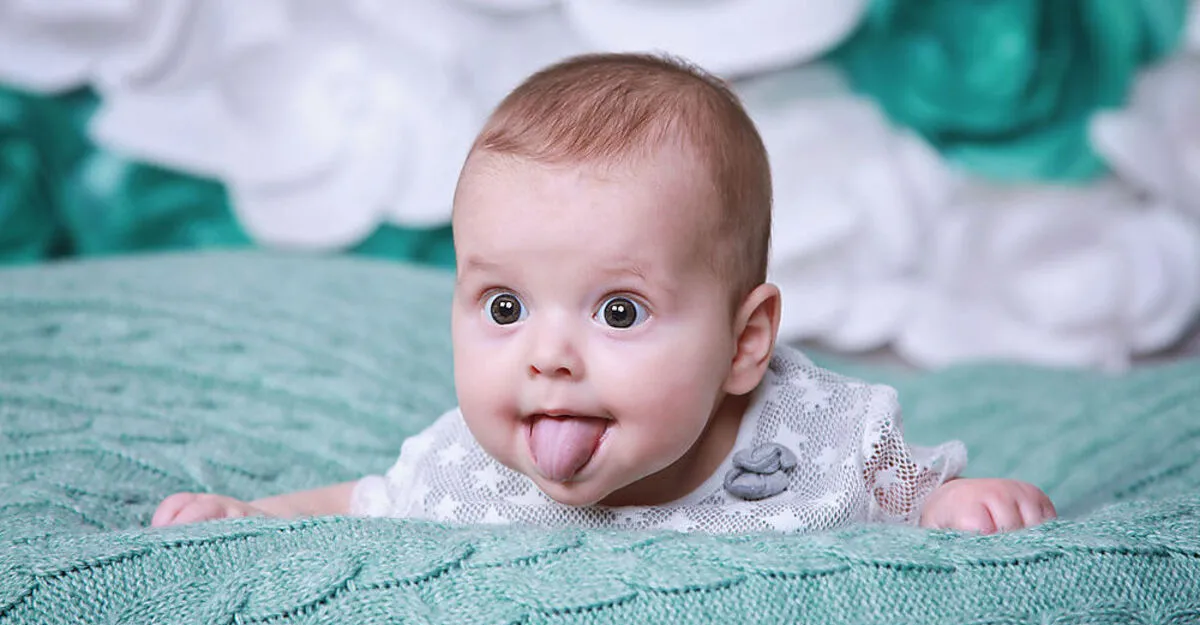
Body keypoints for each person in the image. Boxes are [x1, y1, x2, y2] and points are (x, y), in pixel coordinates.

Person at [152, 53, 1056, 534]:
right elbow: (367, 501)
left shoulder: (819, 436)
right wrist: (256, 514)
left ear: (745, 344)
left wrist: (952, 503)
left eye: (619, 311)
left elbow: (907, 490)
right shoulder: (466, 467)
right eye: (504, 307)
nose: (547, 356)